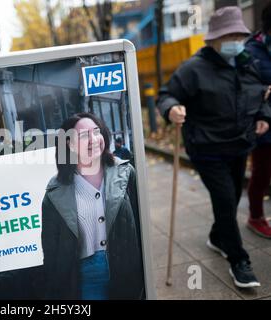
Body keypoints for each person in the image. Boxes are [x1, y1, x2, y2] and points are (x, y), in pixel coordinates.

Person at [157, 6, 271, 288]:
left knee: (231, 197)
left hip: (239, 144)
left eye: (238, 34)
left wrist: (263, 117)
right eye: (227, 35)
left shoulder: (248, 65)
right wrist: (172, 109)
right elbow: (167, 95)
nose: (234, 39)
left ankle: (218, 236)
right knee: (224, 199)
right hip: (206, 148)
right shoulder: (194, 69)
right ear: (213, 39)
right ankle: (238, 260)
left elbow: (262, 96)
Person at [41, 112, 144, 300]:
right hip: (84, 278)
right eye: (83, 136)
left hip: (126, 270)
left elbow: (140, 227)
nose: (94, 140)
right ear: (69, 144)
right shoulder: (54, 192)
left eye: (96, 132)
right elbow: (51, 251)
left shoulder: (127, 173)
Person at [245, 2, 271, 238]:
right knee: (262, 171)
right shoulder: (251, 50)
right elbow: (245, 86)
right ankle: (255, 216)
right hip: (263, 121)